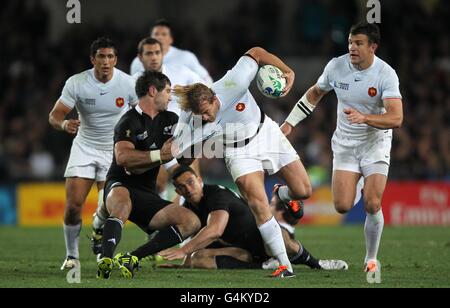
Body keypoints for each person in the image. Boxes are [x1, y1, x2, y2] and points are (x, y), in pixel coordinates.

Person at [171, 46, 313, 278]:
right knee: (258, 205)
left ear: (214, 98)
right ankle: (285, 265)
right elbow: (180, 155)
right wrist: (192, 146)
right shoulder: (190, 121)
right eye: (201, 115)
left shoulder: (232, 83)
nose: (205, 118)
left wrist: (287, 71)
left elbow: (256, 52)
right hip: (238, 153)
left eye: (207, 111)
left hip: (265, 132)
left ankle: (282, 195)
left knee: (303, 190)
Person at [280, 22, 403, 273]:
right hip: (345, 144)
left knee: (372, 203)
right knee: (342, 206)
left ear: (373, 47)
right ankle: (359, 180)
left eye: (358, 43)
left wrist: (365, 118)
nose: (352, 48)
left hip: (375, 144)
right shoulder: (336, 66)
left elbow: (396, 118)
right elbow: (315, 93)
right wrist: (290, 123)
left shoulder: (385, 74)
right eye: (350, 42)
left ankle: (371, 258)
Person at [96, 71, 200, 279]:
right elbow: (123, 158)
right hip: (120, 184)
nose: (170, 97)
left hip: (146, 193)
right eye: (168, 91)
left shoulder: (171, 119)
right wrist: (160, 155)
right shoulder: (128, 121)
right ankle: (105, 259)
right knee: (122, 204)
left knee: (191, 222)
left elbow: (182, 156)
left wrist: (196, 140)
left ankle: (132, 257)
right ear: (153, 91)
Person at [48, 37, 138, 270]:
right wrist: (63, 125)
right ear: (93, 59)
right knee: (73, 207)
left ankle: (102, 247)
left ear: (116, 59)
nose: (106, 61)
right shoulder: (77, 83)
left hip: (113, 151)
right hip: (85, 147)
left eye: (110, 57)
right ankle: (72, 256)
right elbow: (55, 115)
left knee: (108, 207)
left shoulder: (128, 84)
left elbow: (142, 114)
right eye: (101, 56)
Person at [157, 165, 348, 272]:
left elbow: (214, 230)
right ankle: (260, 266)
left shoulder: (216, 195)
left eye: (190, 183)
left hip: (259, 238)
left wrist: (183, 250)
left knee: (279, 238)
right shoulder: (190, 207)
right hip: (240, 249)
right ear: (178, 190)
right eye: (183, 187)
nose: (188, 190)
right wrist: (183, 263)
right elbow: (201, 238)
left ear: (199, 180)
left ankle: (317, 264)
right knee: (198, 259)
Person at [133, 37, 203, 198]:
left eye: (157, 52)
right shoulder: (133, 82)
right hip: (152, 141)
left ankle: (192, 220)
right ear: (140, 57)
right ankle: (166, 219)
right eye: (149, 53)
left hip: (183, 137)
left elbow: (204, 91)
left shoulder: (181, 72)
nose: (154, 57)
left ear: (163, 54)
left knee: (191, 180)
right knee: (157, 186)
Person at [130, 19, 213, 84]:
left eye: (164, 34)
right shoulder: (137, 62)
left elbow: (206, 79)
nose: (159, 37)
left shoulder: (186, 57)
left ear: (171, 39)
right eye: (156, 34)